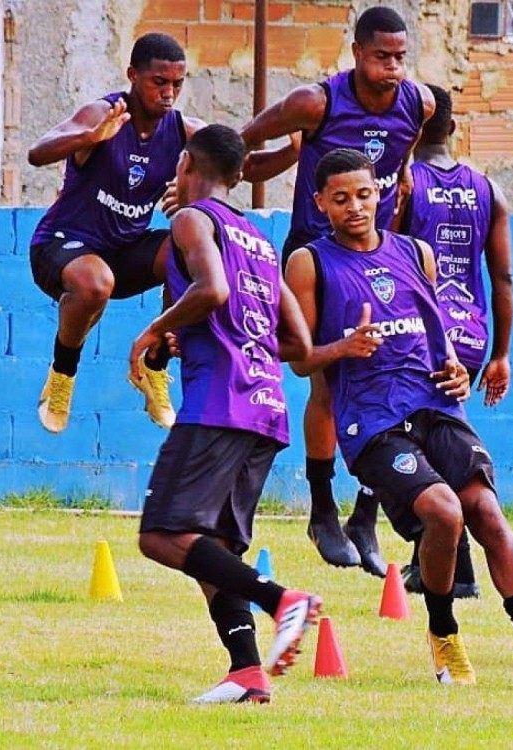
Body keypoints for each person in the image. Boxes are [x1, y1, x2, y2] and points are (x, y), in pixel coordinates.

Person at [286, 148, 513, 687]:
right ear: (320, 203)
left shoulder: (417, 253)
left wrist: (458, 372)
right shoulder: (310, 263)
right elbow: (300, 358)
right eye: (341, 198)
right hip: (370, 422)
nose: (355, 207)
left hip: (436, 405)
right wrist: (343, 347)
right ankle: (444, 636)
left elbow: (435, 333)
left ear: (382, 194)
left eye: (364, 195)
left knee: (484, 510)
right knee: (444, 511)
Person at [240, 6, 435, 573]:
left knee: (396, 381)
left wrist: (395, 235)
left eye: (401, 58)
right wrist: (198, 181)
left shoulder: (417, 104)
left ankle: (366, 515)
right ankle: (323, 509)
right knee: (327, 379)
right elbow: (243, 145)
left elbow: (401, 171)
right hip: (317, 259)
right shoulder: (315, 102)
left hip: (385, 257)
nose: (392, 69)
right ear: (356, 53)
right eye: (381, 57)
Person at [131, 124, 321, 703]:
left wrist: (154, 330)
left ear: (185, 162)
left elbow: (212, 290)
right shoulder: (261, 243)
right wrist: (196, 338)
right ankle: (246, 673)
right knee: (213, 548)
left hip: (220, 404)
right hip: (266, 409)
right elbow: (301, 344)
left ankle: (282, 600)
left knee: (162, 535)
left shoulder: (192, 219)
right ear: (240, 176)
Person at [28, 32, 205, 434]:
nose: (168, 93)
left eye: (177, 84)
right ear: (133, 75)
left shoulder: (182, 131)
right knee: (95, 284)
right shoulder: (104, 114)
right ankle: (62, 373)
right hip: (62, 246)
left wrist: (295, 150)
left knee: (191, 245)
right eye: (159, 82)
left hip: (123, 253)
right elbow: (37, 152)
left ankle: (155, 366)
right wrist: (87, 139)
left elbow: (237, 156)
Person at [398, 84, 513, 598]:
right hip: (470, 334)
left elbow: (389, 259)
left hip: (418, 333)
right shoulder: (487, 189)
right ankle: (442, 563)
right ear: (453, 129)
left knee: (406, 442)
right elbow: (503, 278)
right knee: (439, 436)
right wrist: (502, 354)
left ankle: (451, 564)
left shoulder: (405, 186)